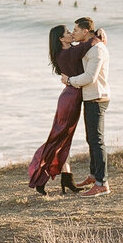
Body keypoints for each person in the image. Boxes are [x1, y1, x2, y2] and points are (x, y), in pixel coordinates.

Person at [28, 24, 95, 195]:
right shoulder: (67, 53)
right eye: (67, 33)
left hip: (69, 97)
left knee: (63, 140)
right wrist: (99, 33)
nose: (71, 34)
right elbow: (91, 42)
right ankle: (39, 177)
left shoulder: (65, 52)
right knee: (58, 140)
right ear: (60, 39)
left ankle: (67, 179)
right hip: (70, 100)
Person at [61, 17, 111, 197]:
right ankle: (93, 175)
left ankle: (102, 183)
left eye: (75, 30)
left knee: (97, 140)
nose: (73, 32)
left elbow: (90, 76)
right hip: (90, 97)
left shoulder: (97, 49)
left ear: (85, 31)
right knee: (91, 139)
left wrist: (70, 81)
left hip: (97, 98)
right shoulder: (89, 46)